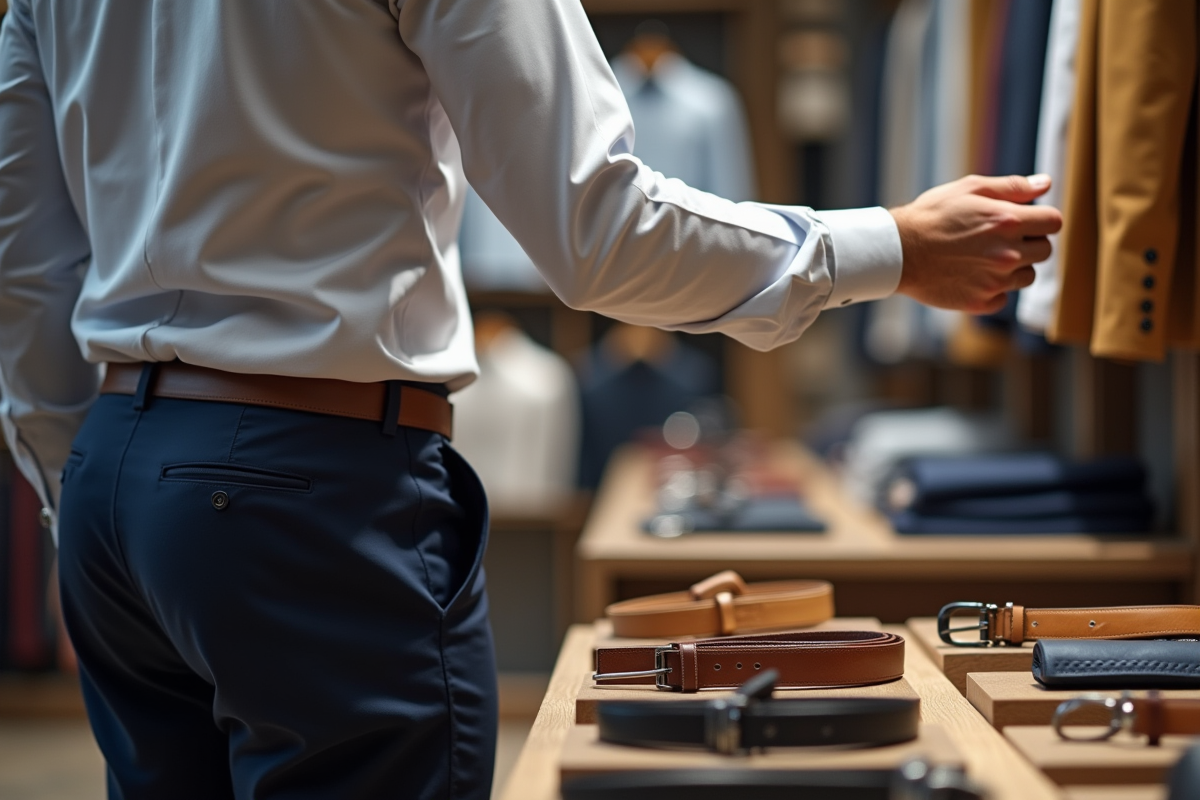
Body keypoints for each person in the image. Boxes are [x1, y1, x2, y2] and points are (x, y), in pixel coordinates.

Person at [0, 1, 1060, 798]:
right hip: (304, 488)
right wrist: (889, 246)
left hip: (114, 481)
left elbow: (26, 267)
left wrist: (77, 489)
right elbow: (600, 233)